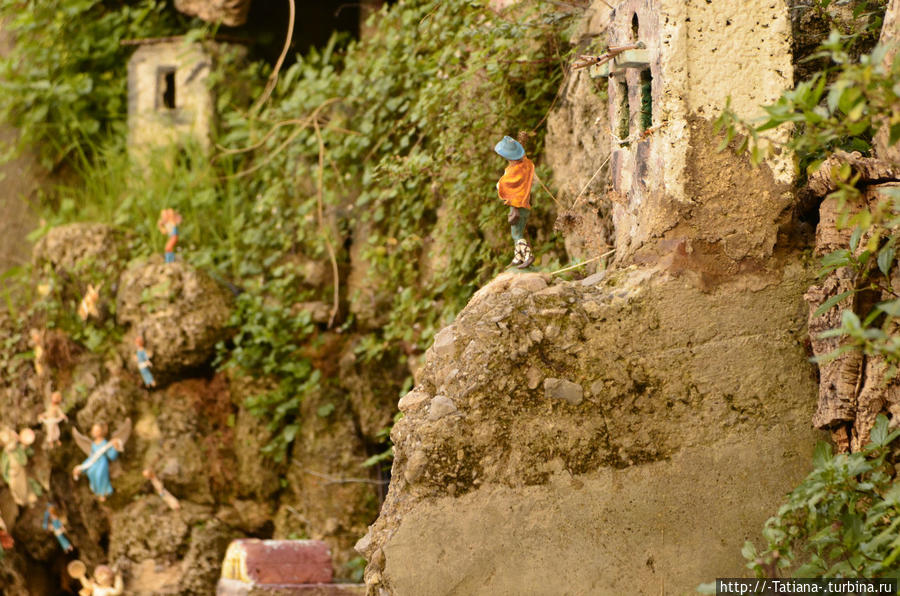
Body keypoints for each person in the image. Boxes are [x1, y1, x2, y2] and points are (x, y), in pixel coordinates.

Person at [494, 135, 536, 268]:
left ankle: (528, 255)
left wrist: (499, 185)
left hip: (518, 205)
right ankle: (518, 257)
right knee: (517, 230)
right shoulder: (526, 164)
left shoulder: (515, 170)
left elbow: (506, 183)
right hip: (523, 202)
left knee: (517, 233)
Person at [73, 423, 121, 502]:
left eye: (97, 431)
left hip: (102, 462)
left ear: (102, 431)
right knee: (91, 472)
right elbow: (91, 458)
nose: (95, 432)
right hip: (95, 462)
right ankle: (98, 492)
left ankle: (103, 492)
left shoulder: (105, 443)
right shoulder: (93, 445)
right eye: (94, 431)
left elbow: (111, 456)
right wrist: (82, 467)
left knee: (100, 474)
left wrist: (115, 447)